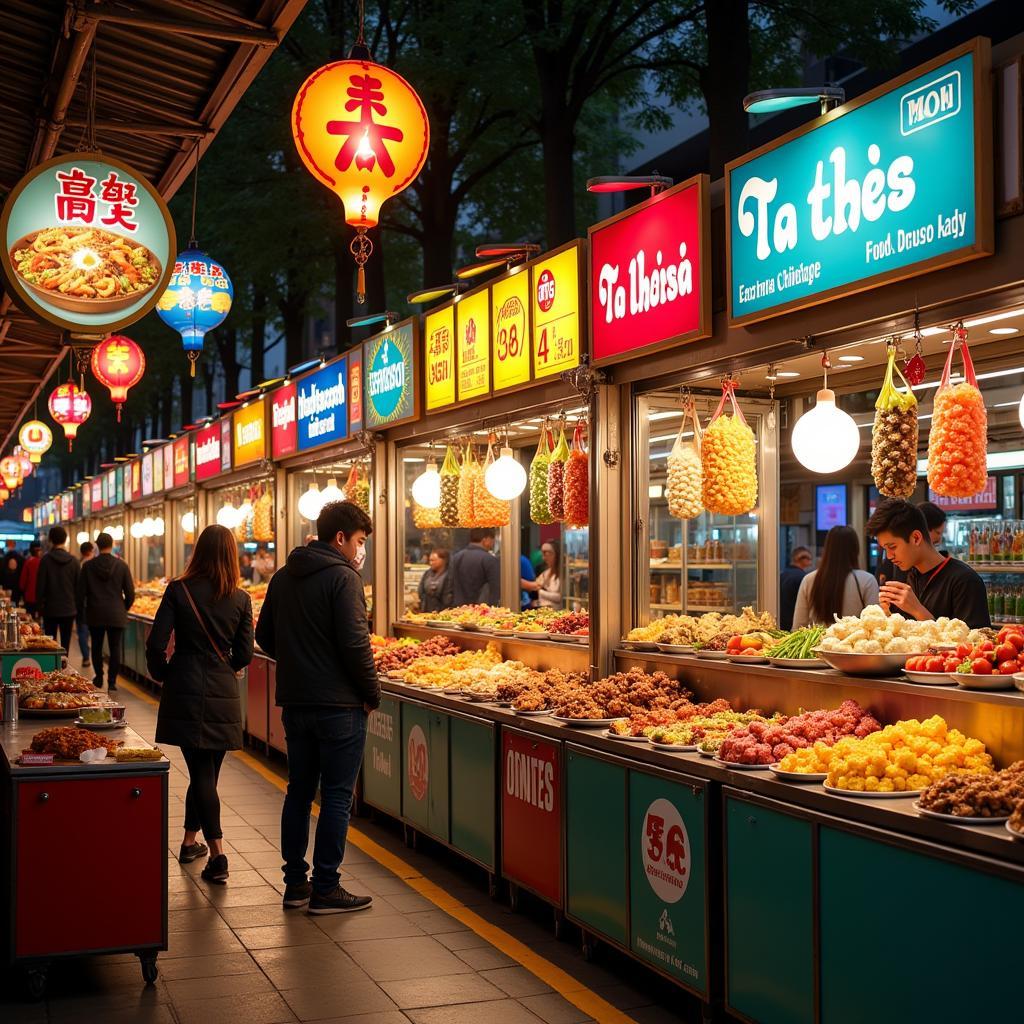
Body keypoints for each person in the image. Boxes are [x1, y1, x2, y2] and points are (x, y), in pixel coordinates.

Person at [255, 501, 378, 915]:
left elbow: (264, 636)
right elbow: (355, 643)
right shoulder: (345, 579)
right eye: (359, 541)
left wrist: (298, 662)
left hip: (295, 703)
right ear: (340, 538)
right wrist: (371, 692)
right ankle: (326, 886)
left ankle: (295, 884)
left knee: (299, 791)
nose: (360, 550)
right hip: (340, 706)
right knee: (337, 797)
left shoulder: (283, 577)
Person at [148, 525, 254, 884]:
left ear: (198, 552)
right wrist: (229, 667)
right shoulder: (240, 598)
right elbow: (243, 653)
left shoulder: (178, 590)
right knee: (206, 773)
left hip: (186, 686)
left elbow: (156, 642)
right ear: (231, 554)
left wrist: (163, 673)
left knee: (202, 773)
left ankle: (219, 855)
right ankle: (189, 842)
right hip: (223, 691)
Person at [867, 498, 991, 628]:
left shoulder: (965, 580)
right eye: (885, 549)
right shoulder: (904, 575)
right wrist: (887, 614)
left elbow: (976, 643)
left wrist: (918, 611)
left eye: (892, 547)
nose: (890, 556)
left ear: (916, 538)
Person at [77, 531, 135, 691]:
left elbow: (80, 594)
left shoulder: (88, 566)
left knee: (96, 646)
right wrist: (124, 608)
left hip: (95, 613)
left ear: (97, 545)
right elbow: (130, 593)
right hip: (116, 613)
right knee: (115, 648)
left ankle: (99, 677)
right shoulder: (122, 565)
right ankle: (112, 682)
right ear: (112, 544)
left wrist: (82, 615)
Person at [792, 526, 879, 629]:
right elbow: (875, 625)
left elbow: (799, 626)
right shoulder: (867, 580)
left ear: (827, 548)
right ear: (855, 549)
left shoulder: (809, 579)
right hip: (854, 644)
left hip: (816, 644)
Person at [878, 501, 948, 586]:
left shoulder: (956, 577)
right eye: (938, 533)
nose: (890, 556)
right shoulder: (908, 567)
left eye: (892, 547)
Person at [36, 526, 80, 652]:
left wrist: (39, 609)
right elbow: (79, 588)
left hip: (50, 609)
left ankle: (52, 669)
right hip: (69, 609)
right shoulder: (74, 561)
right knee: (66, 641)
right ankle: (64, 666)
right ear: (65, 539)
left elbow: (40, 587)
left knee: (50, 642)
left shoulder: (45, 560)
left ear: (50, 540)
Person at [450, 528, 500, 606]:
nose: (493, 543)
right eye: (492, 540)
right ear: (485, 540)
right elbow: (495, 588)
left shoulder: (456, 557)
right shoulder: (489, 560)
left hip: (457, 608)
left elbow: (449, 583)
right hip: (480, 611)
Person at [779, 546, 813, 630]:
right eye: (809, 559)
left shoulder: (782, 575)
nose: (811, 562)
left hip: (781, 621)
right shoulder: (802, 578)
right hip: (794, 622)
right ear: (802, 559)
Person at [523, 540, 562, 609]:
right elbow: (536, 585)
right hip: (543, 609)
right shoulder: (546, 572)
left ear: (556, 554)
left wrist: (540, 591)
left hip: (556, 611)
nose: (544, 558)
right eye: (543, 554)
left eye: (546, 554)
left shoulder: (562, 574)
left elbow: (560, 597)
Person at [418, 547, 454, 612]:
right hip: (427, 609)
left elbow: (449, 595)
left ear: (443, 560)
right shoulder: (427, 573)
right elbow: (421, 591)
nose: (431, 563)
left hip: (444, 610)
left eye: (433, 560)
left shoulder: (450, 575)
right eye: (430, 560)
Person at [77, 542, 94, 667]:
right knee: (94, 632)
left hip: (82, 604)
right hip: (94, 604)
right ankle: (93, 657)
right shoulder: (93, 565)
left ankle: (86, 657)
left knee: (82, 632)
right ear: (90, 551)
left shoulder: (78, 564)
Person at [20, 542, 41, 617]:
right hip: (41, 597)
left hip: (29, 596)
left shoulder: (28, 562)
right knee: (40, 618)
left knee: (30, 617)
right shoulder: (43, 562)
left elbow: (22, 581)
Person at [0, 539, 23, 603]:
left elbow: (1, 573)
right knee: (14, 605)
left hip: (6, 587)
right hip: (16, 588)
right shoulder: (20, 558)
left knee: (6, 605)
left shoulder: (3, 558)